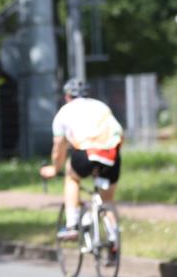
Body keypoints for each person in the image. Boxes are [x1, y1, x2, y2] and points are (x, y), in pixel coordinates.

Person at [40, 78, 124, 243]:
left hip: (87, 152)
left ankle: (72, 226)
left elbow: (59, 147)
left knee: (71, 178)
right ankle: (114, 239)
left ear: (67, 96)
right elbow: (120, 134)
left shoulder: (64, 112)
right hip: (112, 154)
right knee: (107, 200)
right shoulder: (101, 106)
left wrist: (55, 168)